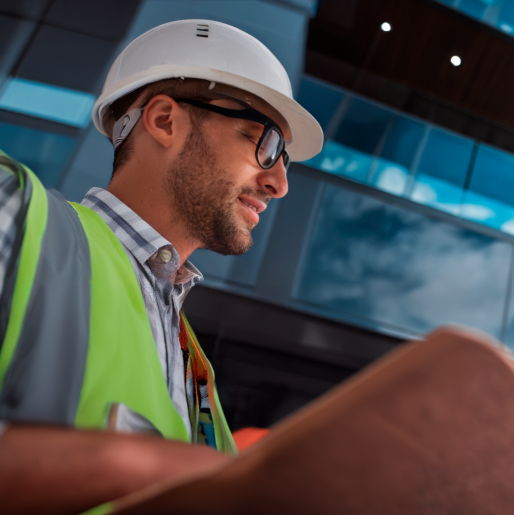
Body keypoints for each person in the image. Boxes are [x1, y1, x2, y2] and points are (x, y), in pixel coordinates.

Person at [0, 19, 322, 513]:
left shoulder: (195, 370)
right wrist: (139, 468)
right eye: (265, 143)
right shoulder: (16, 213)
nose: (279, 183)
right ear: (165, 121)